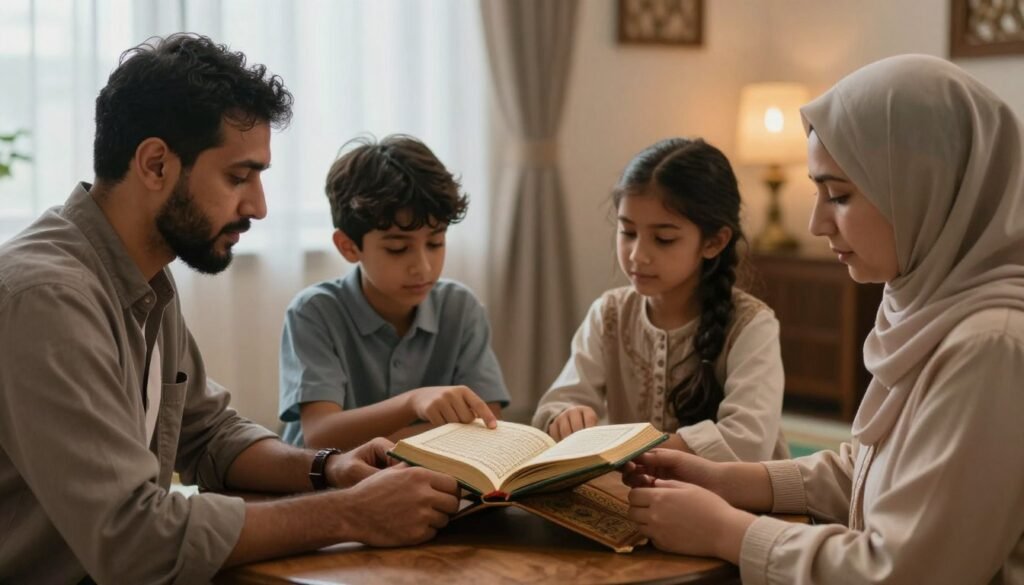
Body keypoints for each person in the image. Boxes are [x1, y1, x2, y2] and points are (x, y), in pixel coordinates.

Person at [0, 34, 460, 585]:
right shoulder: (48, 297)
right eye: (238, 177)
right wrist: (350, 512)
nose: (258, 206)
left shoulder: (142, 278)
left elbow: (208, 433)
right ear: (154, 165)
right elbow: (132, 538)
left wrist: (332, 468)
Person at [623, 55, 1024, 584]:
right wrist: (729, 480)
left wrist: (729, 531)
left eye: (838, 195)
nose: (815, 222)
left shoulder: (989, 344)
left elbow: (904, 571)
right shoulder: (929, 302)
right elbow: (874, 471)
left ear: (923, 187)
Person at [532, 138, 789, 462]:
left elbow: (747, 443)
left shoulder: (751, 326)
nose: (638, 255)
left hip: (732, 503)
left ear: (714, 241)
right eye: (627, 232)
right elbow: (555, 405)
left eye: (663, 239)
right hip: (638, 498)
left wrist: (631, 449)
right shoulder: (609, 314)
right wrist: (565, 416)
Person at [278, 135, 510, 450]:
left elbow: (486, 417)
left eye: (435, 243)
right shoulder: (314, 312)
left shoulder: (460, 307)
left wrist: (393, 444)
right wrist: (413, 402)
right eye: (398, 248)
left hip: (422, 481)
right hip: (326, 487)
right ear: (348, 246)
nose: (424, 267)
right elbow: (321, 432)